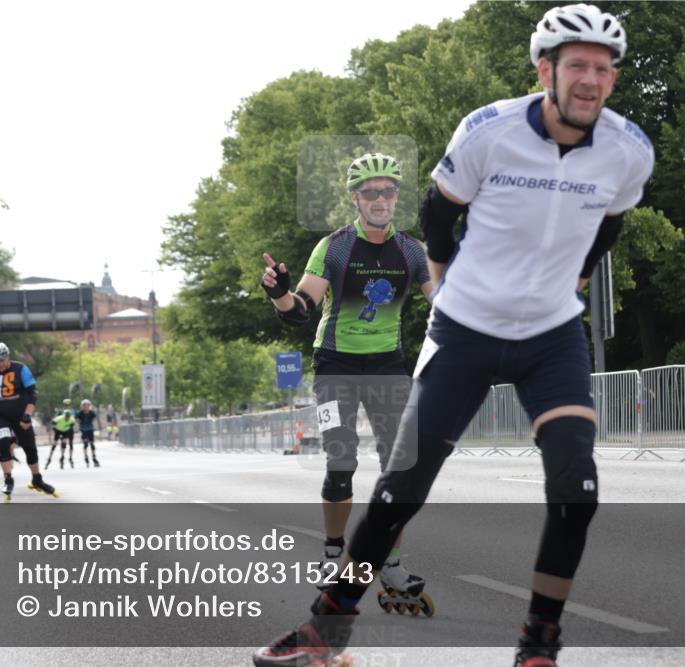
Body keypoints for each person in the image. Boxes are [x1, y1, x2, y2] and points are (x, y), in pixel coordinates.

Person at [253, 5, 654, 667]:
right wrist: (442, 285)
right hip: (453, 332)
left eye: (603, 68)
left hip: (550, 335)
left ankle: (539, 644)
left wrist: (577, 280)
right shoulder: (487, 132)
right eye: (577, 65)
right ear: (545, 70)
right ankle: (327, 623)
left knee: (576, 487)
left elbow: (610, 222)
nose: (591, 80)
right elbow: (440, 214)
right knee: (394, 488)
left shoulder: (629, 150)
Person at [260, 152, 434, 614]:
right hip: (334, 366)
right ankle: (334, 552)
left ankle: (389, 563)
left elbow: (447, 302)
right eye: (370, 192)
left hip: (387, 366)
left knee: (400, 468)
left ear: (396, 196)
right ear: (355, 198)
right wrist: (280, 294)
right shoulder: (334, 247)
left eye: (388, 191)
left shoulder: (412, 251)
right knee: (341, 461)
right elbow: (301, 310)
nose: (380, 199)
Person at [0, 342, 57, 501]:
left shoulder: (21, 369)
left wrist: (27, 415)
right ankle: (8, 479)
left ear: (8, 357)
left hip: (21, 416)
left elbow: (32, 393)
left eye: (2, 360)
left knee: (30, 448)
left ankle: (37, 479)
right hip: (2, 416)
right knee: (4, 442)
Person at [75, 399, 100, 467]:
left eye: (87, 405)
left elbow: (94, 418)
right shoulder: (80, 413)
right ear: (82, 406)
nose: (86, 407)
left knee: (92, 444)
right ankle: (86, 457)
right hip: (83, 430)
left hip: (90, 429)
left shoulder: (91, 412)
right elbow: (77, 419)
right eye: (84, 406)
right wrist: (80, 423)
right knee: (86, 444)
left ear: (89, 406)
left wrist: (91, 422)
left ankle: (94, 457)